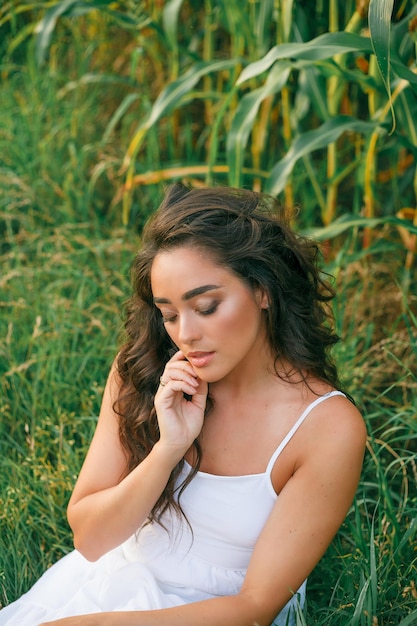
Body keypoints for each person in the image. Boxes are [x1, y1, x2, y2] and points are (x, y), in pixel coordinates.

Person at [0, 184, 367, 626]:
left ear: (264, 291)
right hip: (103, 586)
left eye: (207, 306)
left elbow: (256, 608)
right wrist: (168, 448)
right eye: (169, 314)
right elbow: (91, 540)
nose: (185, 334)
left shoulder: (325, 426)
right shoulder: (142, 372)